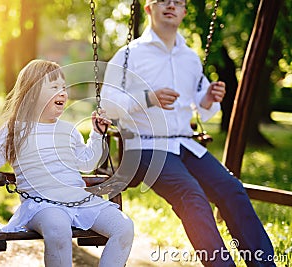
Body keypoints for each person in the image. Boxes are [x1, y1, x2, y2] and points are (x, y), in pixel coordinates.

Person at [101, 0, 275, 266]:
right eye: (164, 1)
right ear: (149, 8)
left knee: (232, 189)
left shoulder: (190, 58)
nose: (171, 5)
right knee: (191, 195)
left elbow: (202, 104)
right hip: (146, 146)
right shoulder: (130, 55)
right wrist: (148, 99)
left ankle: (264, 264)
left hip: (185, 144)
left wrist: (208, 98)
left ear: (183, 12)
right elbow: (107, 105)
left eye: (178, 2)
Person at [0, 59, 134, 267]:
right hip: (41, 205)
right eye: (54, 87)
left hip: (79, 201)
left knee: (124, 227)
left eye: (64, 88)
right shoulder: (15, 129)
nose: (63, 92)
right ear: (32, 93)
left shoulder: (68, 130)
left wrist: (97, 135)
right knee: (58, 227)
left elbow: (87, 163)